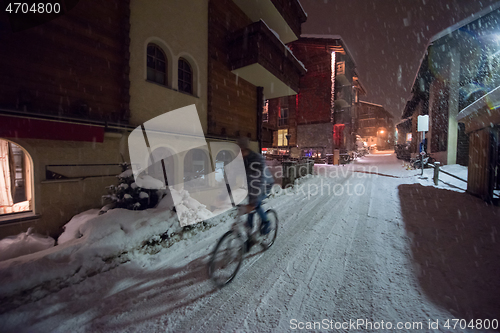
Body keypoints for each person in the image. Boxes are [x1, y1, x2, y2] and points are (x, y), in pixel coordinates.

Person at [236, 137, 271, 236]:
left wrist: (253, 202)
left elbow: (259, 180)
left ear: (244, 149)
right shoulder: (241, 160)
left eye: (240, 150)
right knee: (250, 205)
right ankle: (250, 228)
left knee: (256, 204)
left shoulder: (257, 159)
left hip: (265, 185)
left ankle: (267, 222)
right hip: (252, 186)